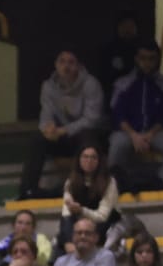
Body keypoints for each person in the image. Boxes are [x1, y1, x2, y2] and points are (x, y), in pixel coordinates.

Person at [21, 51, 107, 198]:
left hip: (85, 135)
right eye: (62, 62)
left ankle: (91, 187)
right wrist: (48, 128)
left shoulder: (90, 84)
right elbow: (46, 112)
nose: (66, 66)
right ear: (56, 65)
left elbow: (92, 119)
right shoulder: (48, 86)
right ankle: (28, 190)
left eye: (71, 62)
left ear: (78, 66)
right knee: (37, 139)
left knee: (88, 136)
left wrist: (64, 130)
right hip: (61, 137)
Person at [107, 40, 163, 188]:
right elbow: (117, 114)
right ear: (136, 59)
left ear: (157, 60)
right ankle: (113, 187)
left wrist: (150, 134)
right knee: (116, 144)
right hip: (128, 132)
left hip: (155, 132)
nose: (147, 63)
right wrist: (134, 135)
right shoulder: (123, 84)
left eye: (151, 59)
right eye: (143, 58)